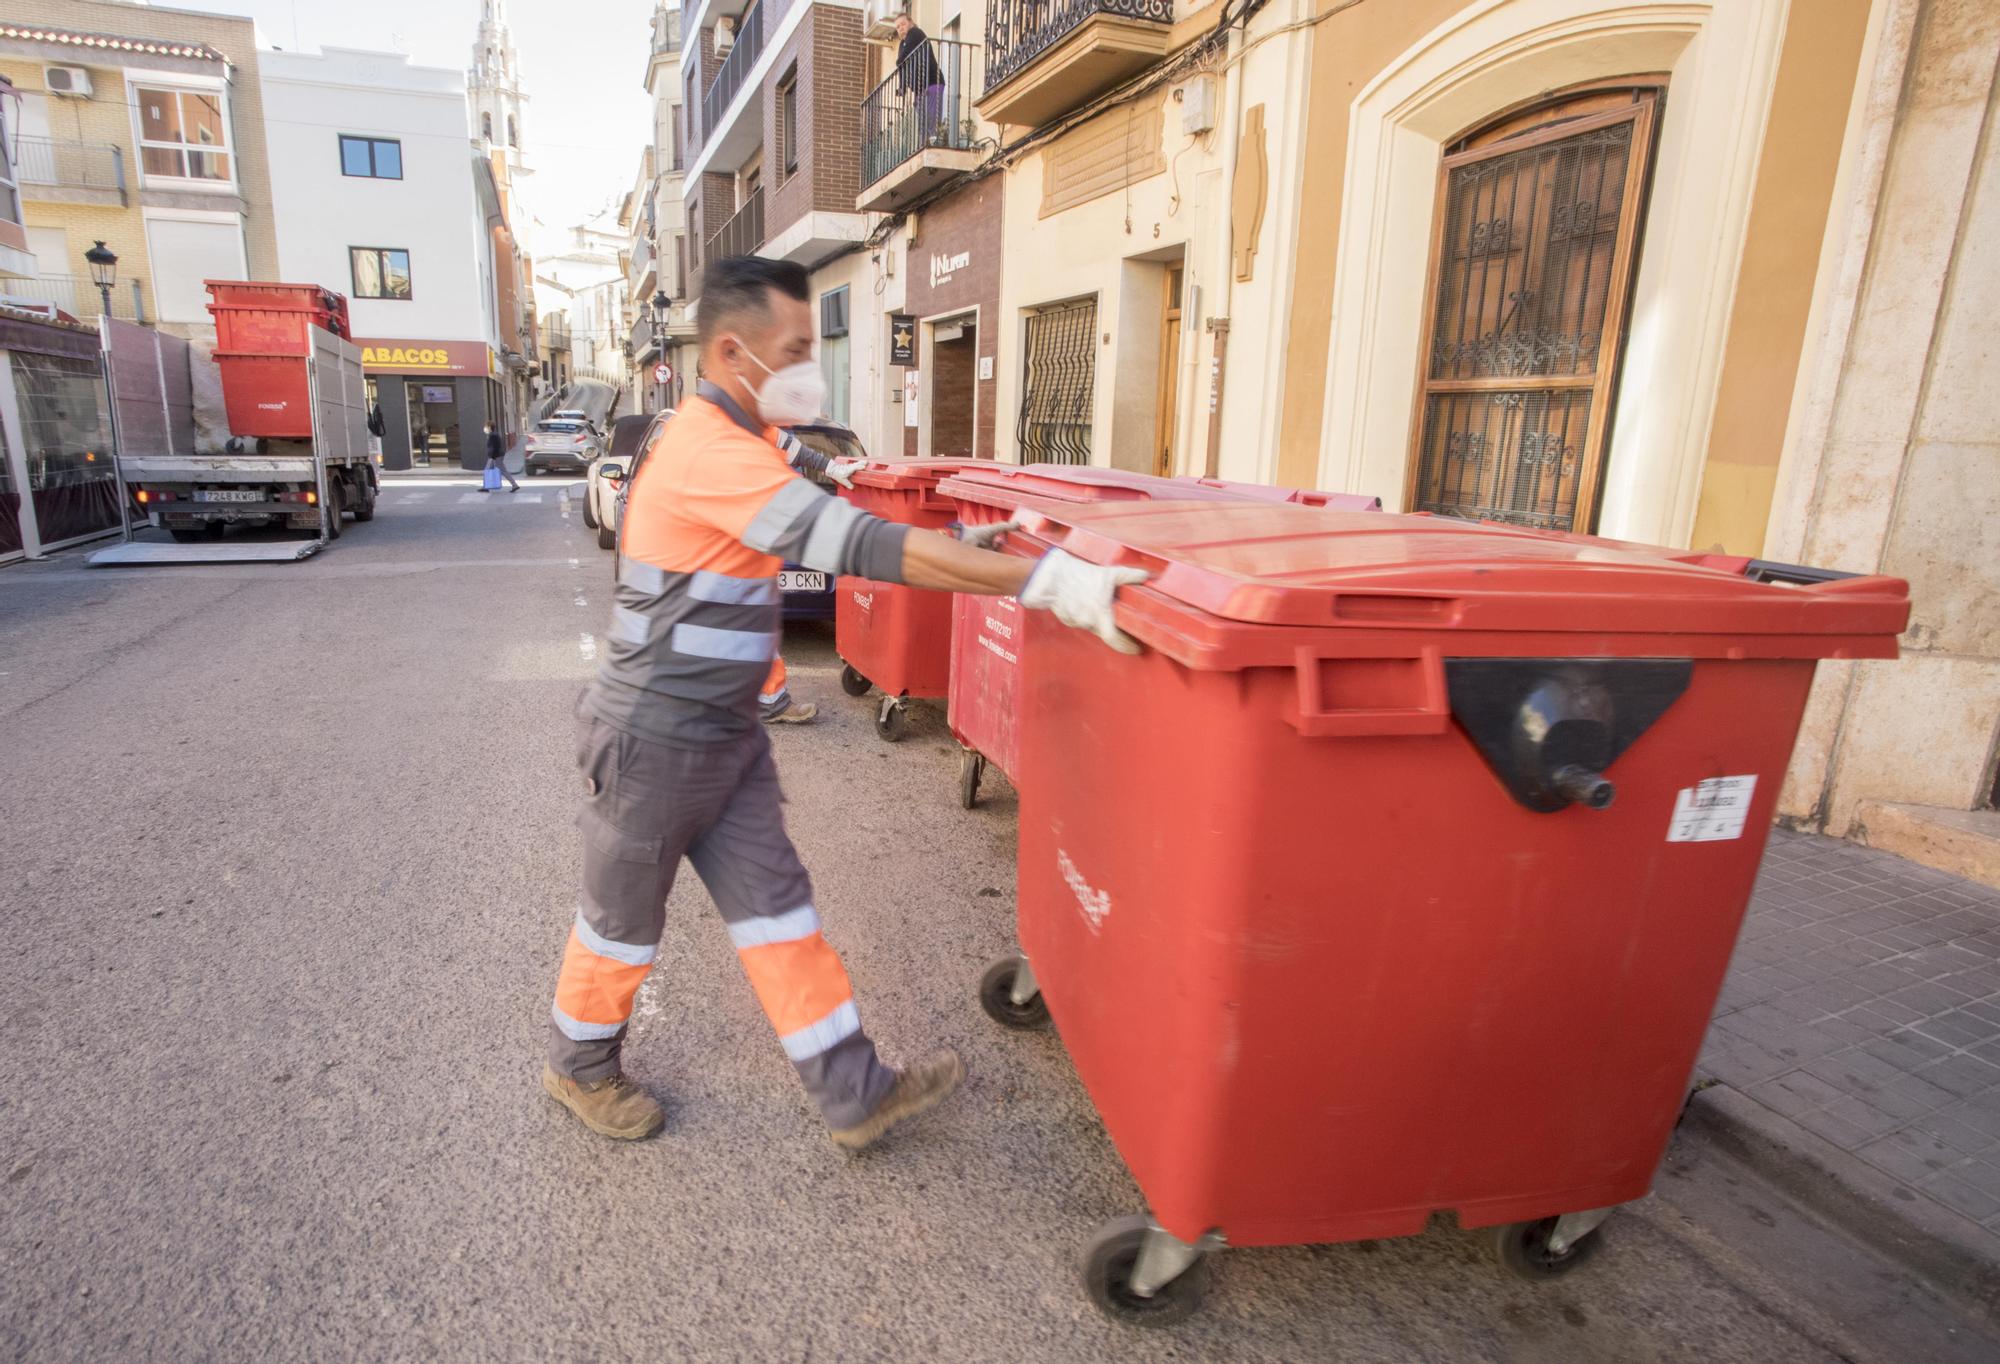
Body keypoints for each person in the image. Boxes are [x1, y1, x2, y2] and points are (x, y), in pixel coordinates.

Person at [541, 255, 1144, 1149]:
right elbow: (859, 545)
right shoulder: (710, 453)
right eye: (791, 349)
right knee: (621, 928)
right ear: (734, 352)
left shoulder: (738, 445)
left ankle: (853, 1091)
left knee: (782, 918)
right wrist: (1048, 581)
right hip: (649, 740)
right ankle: (581, 1068)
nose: (803, 365)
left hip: (726, 743)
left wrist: (964, 545)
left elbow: (841, 533)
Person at [894, 13, 947, 148]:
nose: (901, 28)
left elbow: (902, 59)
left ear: (911, 23)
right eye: (898, 27)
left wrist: (900, 61)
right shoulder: (902, 44)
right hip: (919, 88)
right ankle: (925, 145)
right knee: (922, 120)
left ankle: (934, 144)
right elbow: (902, 66)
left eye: (903, 24)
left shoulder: (916, 33)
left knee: (931, 118)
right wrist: (902, 87)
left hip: (932, 81)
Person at [482, 420, 520, 492]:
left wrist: (492, 457)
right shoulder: (493, 434)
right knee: (490, 469)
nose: (485, 428)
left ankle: (514, 485)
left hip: (495, 456)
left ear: (489, 427)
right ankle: (485, 487)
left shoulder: (493, 435)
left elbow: (495, 447)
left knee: (498, 470)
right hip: (497, 455)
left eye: (486, 427)